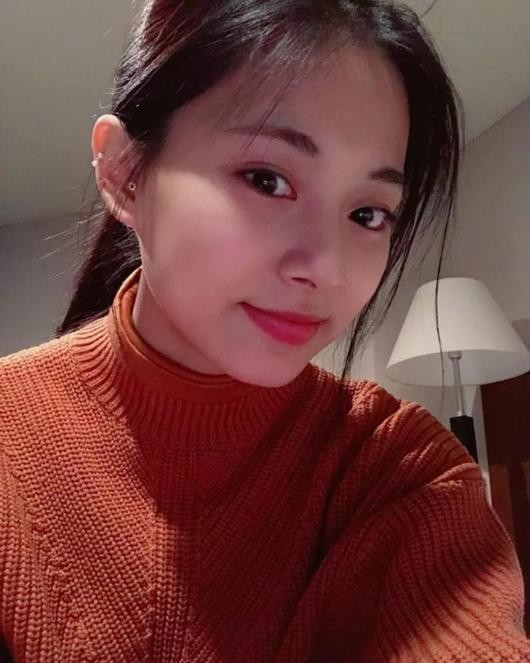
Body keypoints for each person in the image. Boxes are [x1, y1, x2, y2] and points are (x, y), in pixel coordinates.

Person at [1, 0, 528, 660]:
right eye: (266, 179)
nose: (327, 267)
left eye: (368, 214)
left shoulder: (397, 472)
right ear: (125, 172)